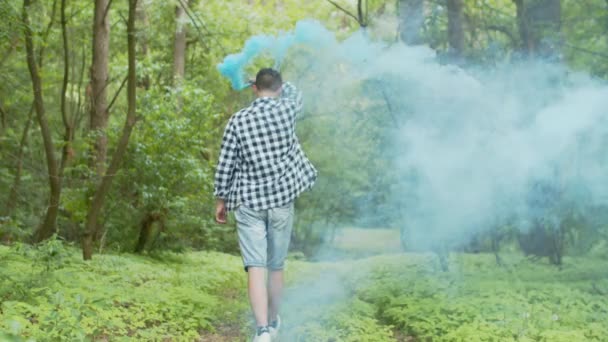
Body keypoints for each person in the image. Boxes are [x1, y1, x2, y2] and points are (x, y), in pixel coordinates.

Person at [214, 68, 317, 342]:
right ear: (279, 88)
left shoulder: (238, 120)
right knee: (276, 266)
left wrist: (221, 199)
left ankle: (261, 332)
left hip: (248, 202)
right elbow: (295, 92)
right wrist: (278, 85)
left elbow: (226, 163)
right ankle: (272, 323)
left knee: (255, 266)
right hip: (281, 199)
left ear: (254, 89)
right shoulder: (287, 111)